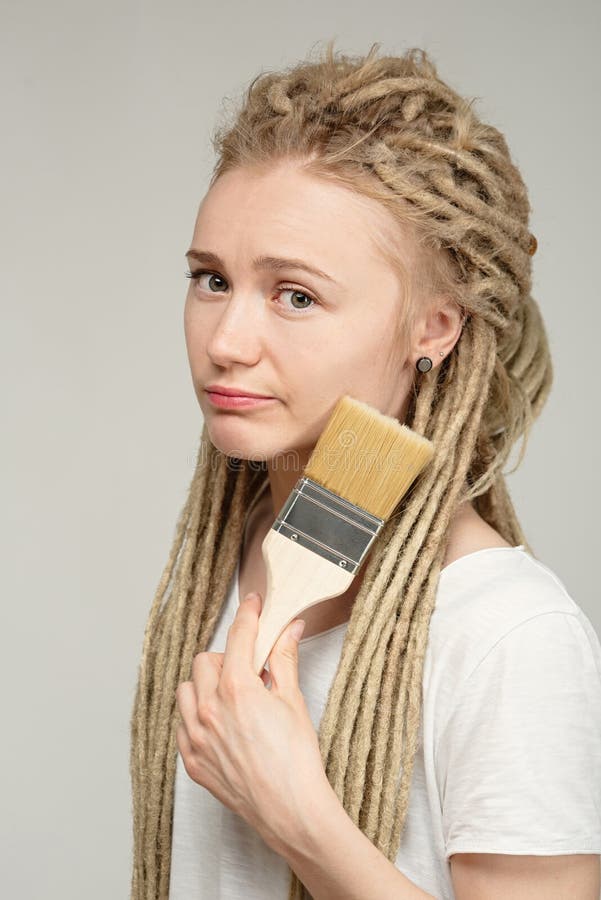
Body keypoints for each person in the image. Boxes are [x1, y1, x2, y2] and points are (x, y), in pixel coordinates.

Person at [129, 41, 601, 900]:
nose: (226, 342)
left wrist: (301, 822)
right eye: (210, 279)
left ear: (435, 329)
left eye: (295, 294)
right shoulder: (229, 564)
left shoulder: (506, 634)